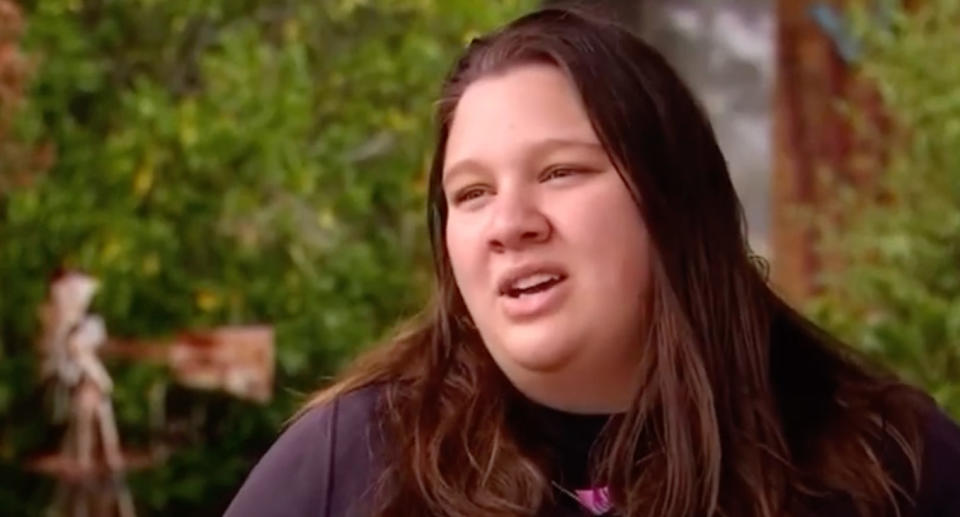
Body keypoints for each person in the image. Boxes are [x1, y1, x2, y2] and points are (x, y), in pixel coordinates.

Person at [224, 7, 960, 517]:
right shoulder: (351, 465)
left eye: (560, 173)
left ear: (672, 196)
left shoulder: (885, 460)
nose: (509, 225)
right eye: (472, 192)